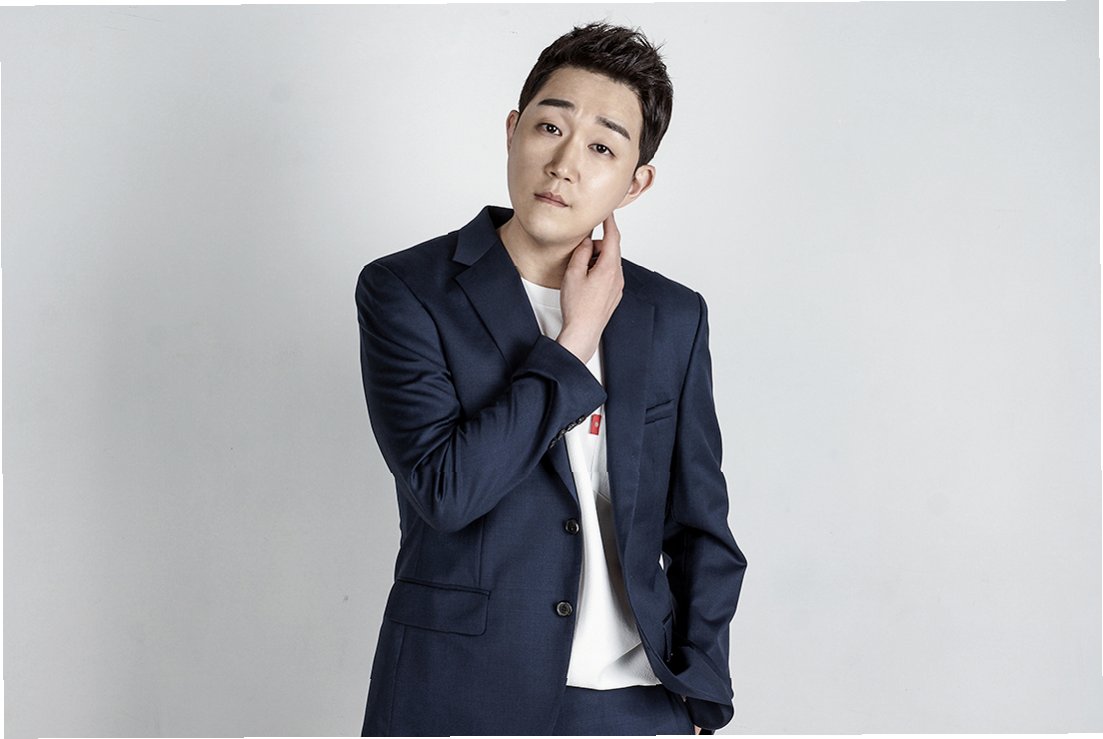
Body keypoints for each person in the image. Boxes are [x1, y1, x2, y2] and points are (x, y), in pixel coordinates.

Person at [355, 21, 747, 736]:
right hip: (459, 693)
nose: (565, 164)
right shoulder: (407, 290)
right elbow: (447, 491)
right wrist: (573, 343)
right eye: (549, 127)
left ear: (635, 182)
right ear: (513, 131)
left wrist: (701, 693)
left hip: (637, 704)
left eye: (602, 147)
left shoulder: (670, 315)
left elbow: (700, 525)